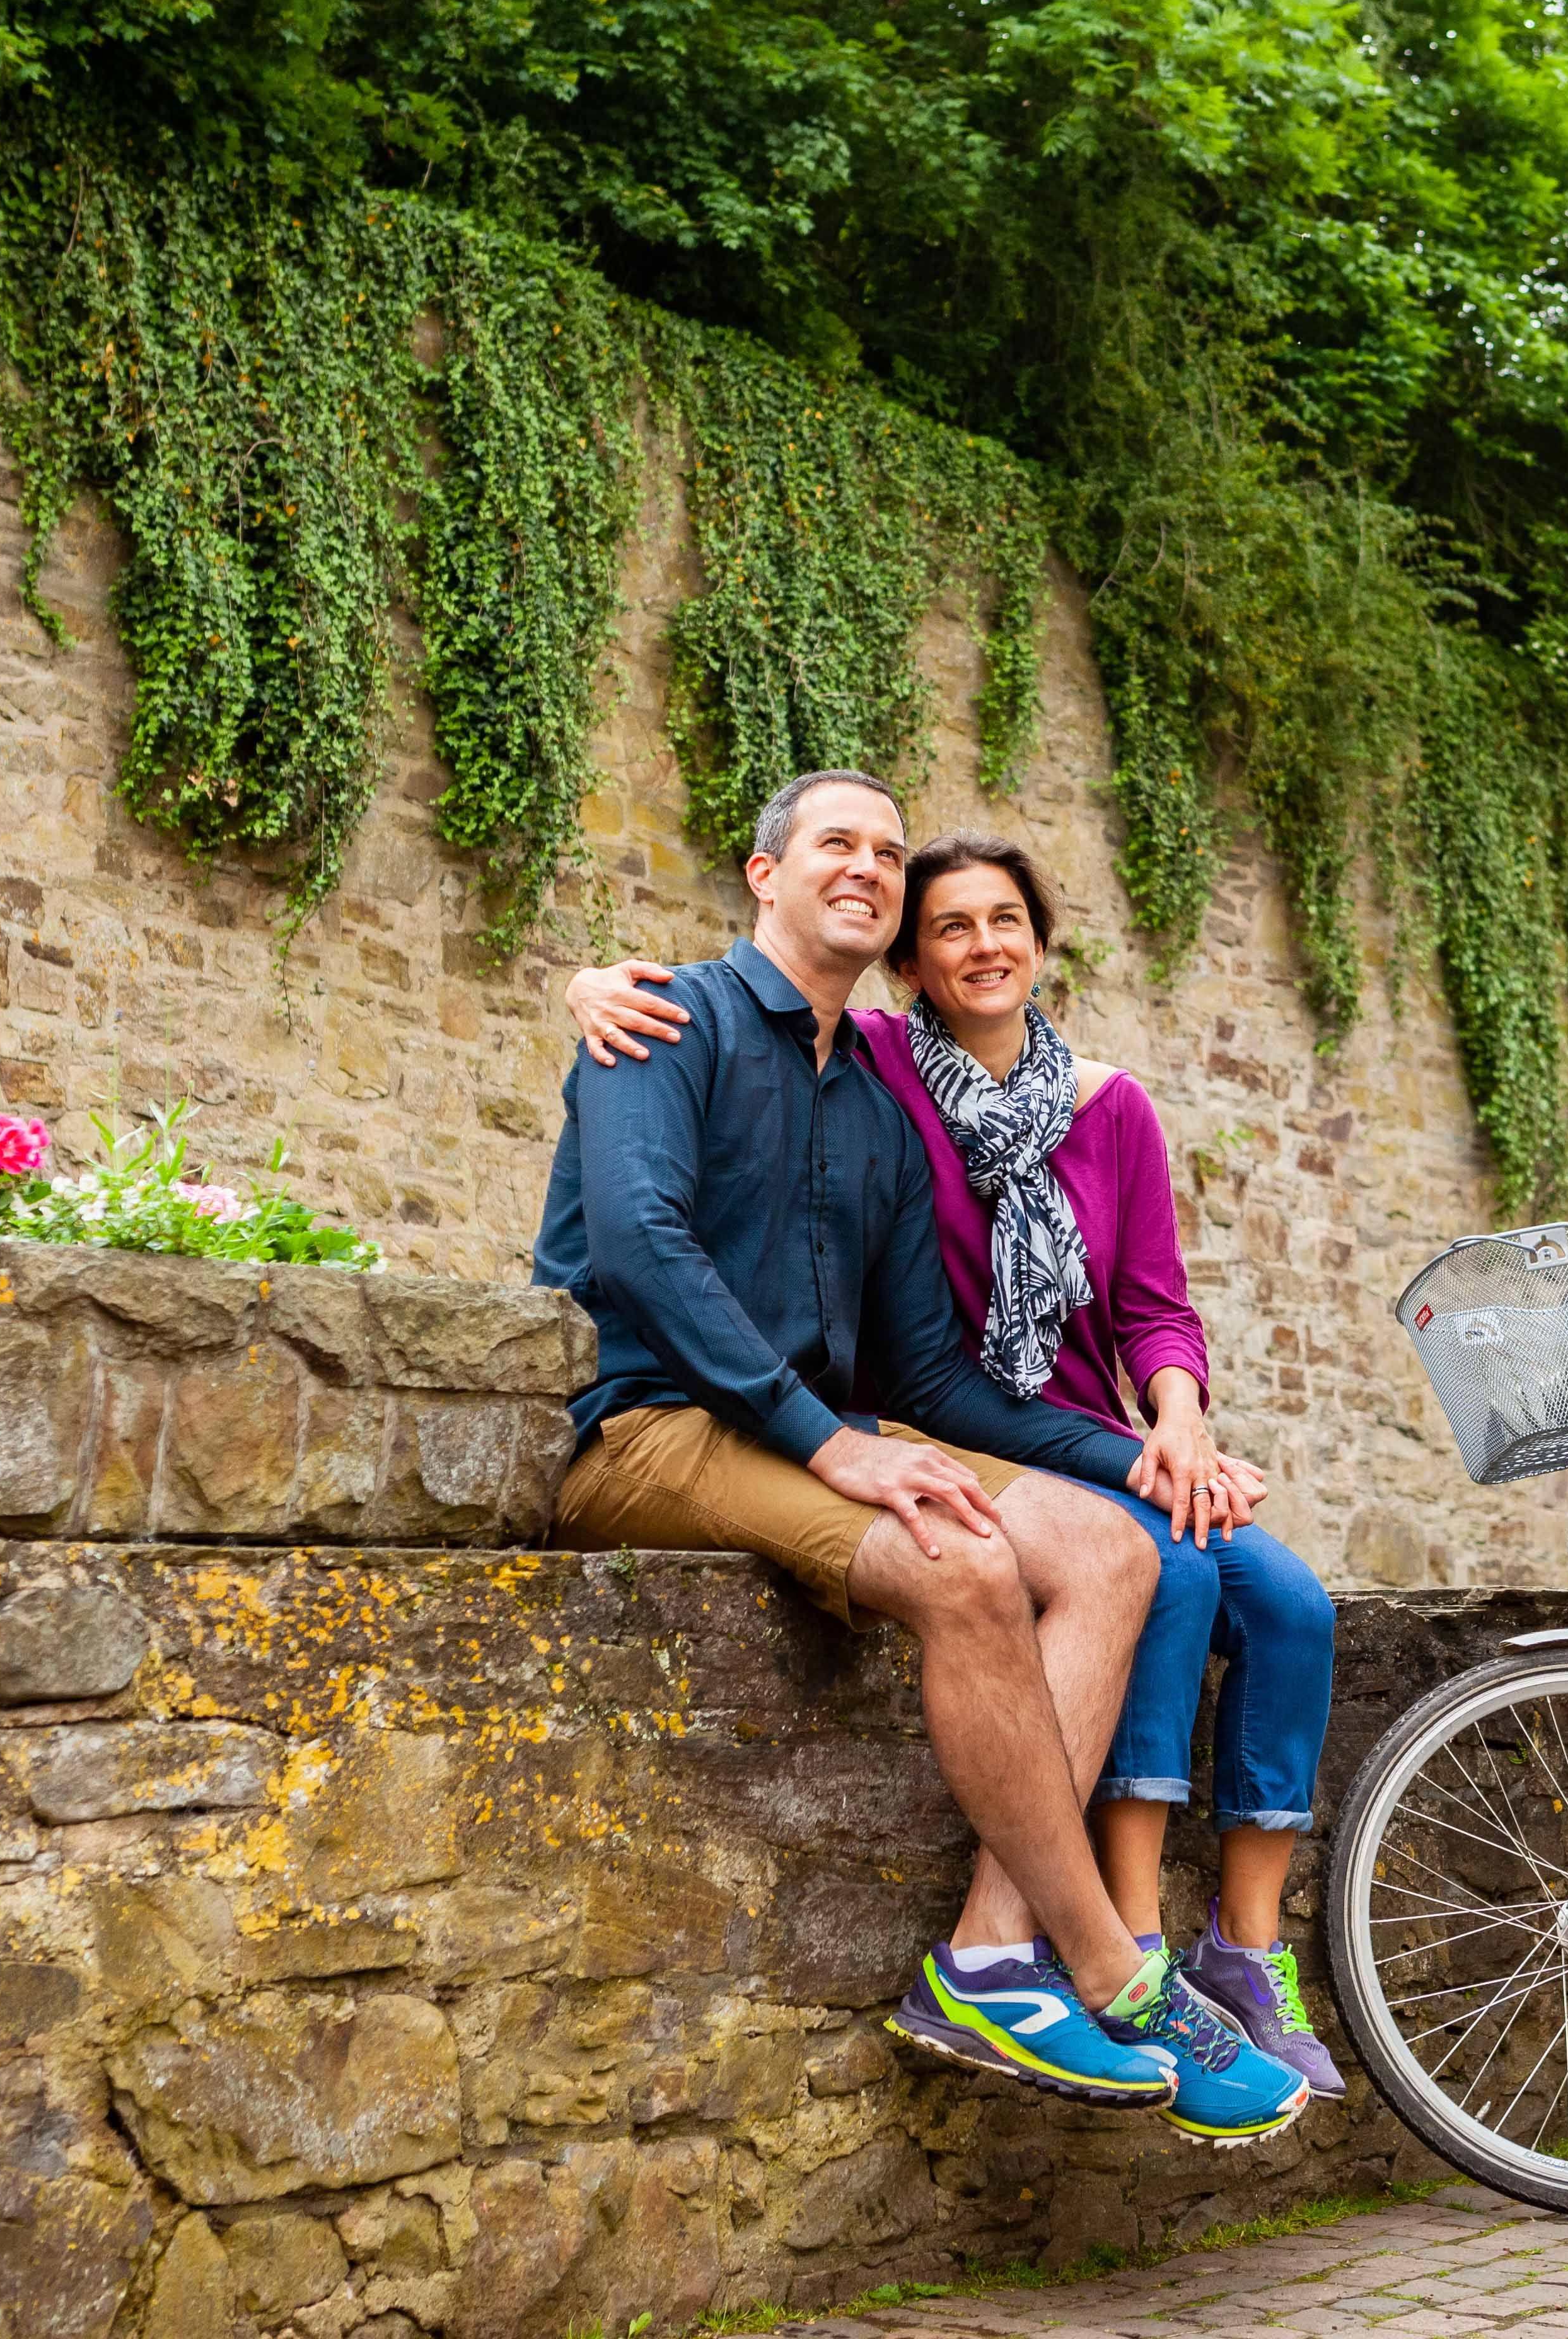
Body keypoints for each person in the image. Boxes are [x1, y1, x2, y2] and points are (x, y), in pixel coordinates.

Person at [532, 769, 1310, 2146]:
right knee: (963, 1568)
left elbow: (935, 1375)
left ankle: (991, 1957)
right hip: (657, 1429)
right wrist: (836, 1447)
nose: (870, 865)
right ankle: (1117, 1971)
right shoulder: (665, 1020)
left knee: (1113, 1549)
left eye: (889, 850)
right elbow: (644, 1254)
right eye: (839, 842)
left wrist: (1136, 1451)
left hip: (823, 1431)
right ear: (764, 872)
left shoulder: (881, 1104)